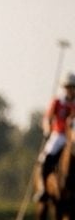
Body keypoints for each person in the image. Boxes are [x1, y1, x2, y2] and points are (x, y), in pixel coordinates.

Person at [36, 72, 75, 201]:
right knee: (44, 158)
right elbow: (47, 118)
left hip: (72, 137)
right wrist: (47, 130)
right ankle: (43, 188)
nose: (70, 90)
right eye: (68, 87)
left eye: (72, 87)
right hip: (58, 135)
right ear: (64, 88)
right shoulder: (57, 101)